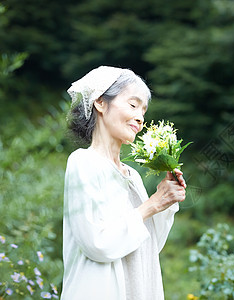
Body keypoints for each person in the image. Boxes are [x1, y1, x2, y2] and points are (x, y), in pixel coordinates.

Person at [61, 66, 186, 300]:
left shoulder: (132, 175)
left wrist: (165, 201)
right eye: (133, 105)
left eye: (143, 110)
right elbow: (97, 243)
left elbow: (148, 246)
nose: (140, 117)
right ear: (100, 102)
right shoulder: (83, 162)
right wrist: (152, 205)